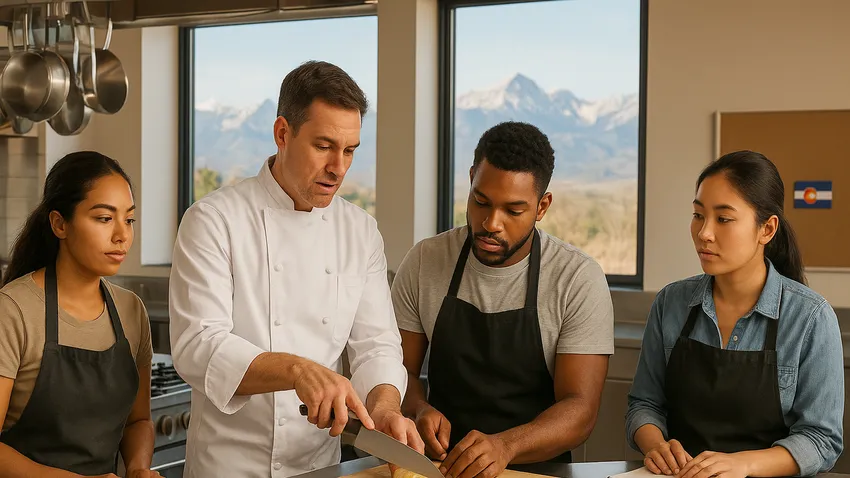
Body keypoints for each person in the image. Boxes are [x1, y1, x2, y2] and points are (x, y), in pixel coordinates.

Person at [169, 60, 423, 477]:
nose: (338, 167)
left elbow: (375, 345)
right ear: (283, 133)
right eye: (324, 146)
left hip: (318, 466)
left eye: (350, 151)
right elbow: (199, 345)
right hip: (229, 467)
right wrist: (298, 369)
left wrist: (385, 408)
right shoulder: (214, 220)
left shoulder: (360, 231)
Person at [392, 121, 614, 478]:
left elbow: (580, 409)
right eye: (481, 202)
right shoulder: (424, 262)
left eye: (513, 211)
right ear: (470, 180)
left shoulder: (577, 278)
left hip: (537, 471)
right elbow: (398, 370)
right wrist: (418, 410)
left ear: (542, 207)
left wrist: (505, 446)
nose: (491, 223)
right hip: (440, 467)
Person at [626, 150, 844, 478]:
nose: (704, 233)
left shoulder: (811, 318)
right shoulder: (670, 303)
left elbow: (821, 439)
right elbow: (644, 405)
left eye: (723, 219)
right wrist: (655, 445)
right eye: (698, 215)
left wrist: (743, 464)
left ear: (767, 229)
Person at [0, 152, 160, 478]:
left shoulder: (131, 311)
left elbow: (138, 421)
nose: (122, 235)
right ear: (60, 224)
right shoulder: (13, 311)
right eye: (104, 218)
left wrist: (139, 468)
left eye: (128, 219)